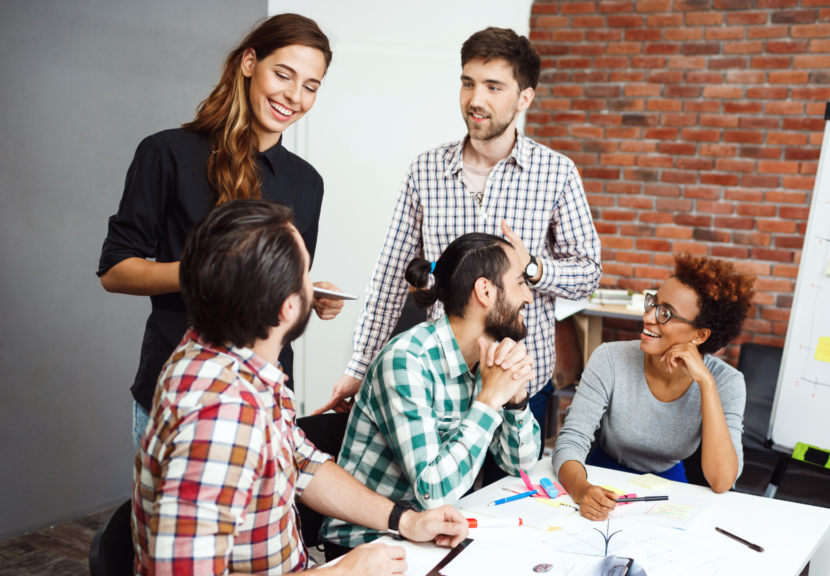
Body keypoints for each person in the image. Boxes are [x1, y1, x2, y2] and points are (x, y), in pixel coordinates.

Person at [133, 200, 468, 575]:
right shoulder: (223, 414)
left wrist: (404, 520)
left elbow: (302, 463)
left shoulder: (232, 360)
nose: (314, 285)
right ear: (288, 308)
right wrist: (340, 572)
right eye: (305, 274)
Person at [314, 27, 601, 452]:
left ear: (524, 98)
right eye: (468, 83)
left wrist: (535, 269)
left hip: (519, 380)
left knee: (509, 499)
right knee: (441, 497)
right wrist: (360, 366)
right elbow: (391, 277)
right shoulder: (425, 170)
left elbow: (588, 274)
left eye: (493, 87)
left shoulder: (557, 173)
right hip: (439, 379)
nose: (475, 100)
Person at [97, 14, 344, 449]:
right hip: (178, 389)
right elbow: (115, 271)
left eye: (311, 86)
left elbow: (274, 283)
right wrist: (215, 270)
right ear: (249, 62)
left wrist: (306, 291)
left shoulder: (309, 183)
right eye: (283, 74)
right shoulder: (166, 153)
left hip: (267, 393)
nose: (294, 96)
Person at [320, 233, 542, 557]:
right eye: (521, 283)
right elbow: (434, 494)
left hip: (431, 536)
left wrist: (515, 398)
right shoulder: (407, 362)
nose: (529, 297)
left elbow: (519, 464)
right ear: (485, 291)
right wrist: (490, 400)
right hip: (367, 543)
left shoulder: (487, 360)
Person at [553, 254, 755, 521]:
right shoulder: (610, 359)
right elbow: (570, 442)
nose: (648, 317)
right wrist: (582, 490)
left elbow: (721, 481)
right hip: (602, 481)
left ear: (700, 335)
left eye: (665, 313)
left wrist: (706, 384)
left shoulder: (727, 382)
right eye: (653, 304)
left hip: (669, 494)